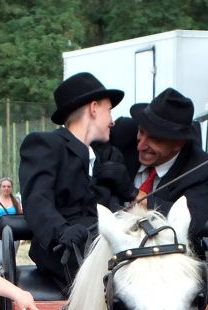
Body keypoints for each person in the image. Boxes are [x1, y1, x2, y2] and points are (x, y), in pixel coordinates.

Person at [18, 71, 133, 290]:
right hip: (66, 252)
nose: (112, 121)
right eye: (109, 111)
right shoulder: (45, 144)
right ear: (93, 108)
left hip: (105, 246)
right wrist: (61, 231)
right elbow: (37, 199)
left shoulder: (105, 157)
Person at [111, 87, 208, 247]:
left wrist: (134, 194)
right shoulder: (121, 134)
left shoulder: (202, 170)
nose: (141, 145)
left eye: (154, 139)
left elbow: (192, 220)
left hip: (166, 261)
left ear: (178, 143)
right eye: (141, 131)